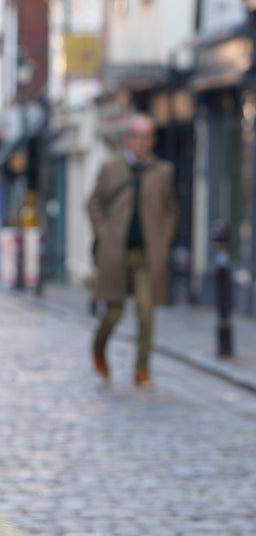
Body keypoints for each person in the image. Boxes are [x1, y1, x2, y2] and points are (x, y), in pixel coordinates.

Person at [88, 113, 176, 388]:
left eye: (147, 136)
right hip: (115, 253)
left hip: (146, 255)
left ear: (153, 140)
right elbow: (93, 203)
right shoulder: (110, 168)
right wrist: (103, 232)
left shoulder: (163, 172)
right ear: (127, 138)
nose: (141, 142)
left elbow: (170, 210)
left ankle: (142, 370)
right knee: (113, 313)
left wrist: (163, 241)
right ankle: (99, 348)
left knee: (146, 312)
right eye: (137, 135)